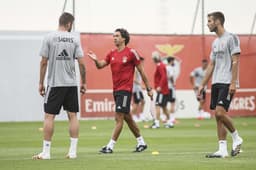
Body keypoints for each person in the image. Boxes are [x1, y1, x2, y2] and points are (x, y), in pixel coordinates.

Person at [87, 28, 153, 154]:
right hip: (116, 90)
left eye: (117, 36)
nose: (114, 38)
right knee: (128, 118)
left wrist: (149, 88)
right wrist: (95, 60)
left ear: (124, 38)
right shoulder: (111, 53)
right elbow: (101, 65)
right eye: (113, 36)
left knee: (118, 118)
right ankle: (141, 142)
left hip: (125, 90)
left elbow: (142, 72)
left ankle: (110, 146)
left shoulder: (131, 53)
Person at [33, 12, 86, 160]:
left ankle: (46, 152)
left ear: (60, 22)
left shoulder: (49, 37)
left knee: (49, 116)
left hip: (55, 84)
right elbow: (81, 63)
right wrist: (84, 82)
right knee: (73, 116)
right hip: (71, 84)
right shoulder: (74, 39)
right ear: (69, 24)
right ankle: (73, 152)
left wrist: (40, 83)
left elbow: (43, 62)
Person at [198, 11, 243, 158]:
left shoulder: (231, 38)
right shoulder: (215, 42)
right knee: (218, 117)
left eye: (210, 21)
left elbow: (236, 61)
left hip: (227, 81)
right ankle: (222, 149)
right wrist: (202, 84)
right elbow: (211, 65)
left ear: (217, 22)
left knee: (219, 112)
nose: (208, 24)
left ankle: (237, 138)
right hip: (216, 82)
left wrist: (233, 82)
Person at [151, 52, 173, 128]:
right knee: (163, 107)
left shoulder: (160, 66)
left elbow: (164, 77)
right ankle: (170, 122)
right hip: (164, 90)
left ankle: (157, 123)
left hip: (162, 91)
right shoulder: (161, 65)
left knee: (157, 105)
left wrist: (159, 86)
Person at [131, 58, 146, 122]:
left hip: (139, 89)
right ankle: (133, 117)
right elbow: (133, 79)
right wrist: (141, 85)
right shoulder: (136, 69)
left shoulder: (140, 69)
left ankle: (141, 115)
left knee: (143, 101)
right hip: (136, 89)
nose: (143, 63)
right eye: (142, 62)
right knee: (136, 103)